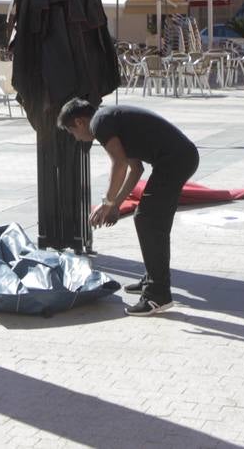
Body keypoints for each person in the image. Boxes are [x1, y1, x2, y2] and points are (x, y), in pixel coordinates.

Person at [57, 98, 200, 316]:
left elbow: (119, 164)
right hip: (179, 158)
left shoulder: (99, 123)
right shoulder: (110, 119)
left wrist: (108, 202)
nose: (75, 138)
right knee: (149, 219)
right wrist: (115, 205)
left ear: (79, 122)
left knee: (148, 220)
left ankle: (157, 295)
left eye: (71, 132)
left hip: (175, 161)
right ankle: (152, 280)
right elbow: (136, 169)